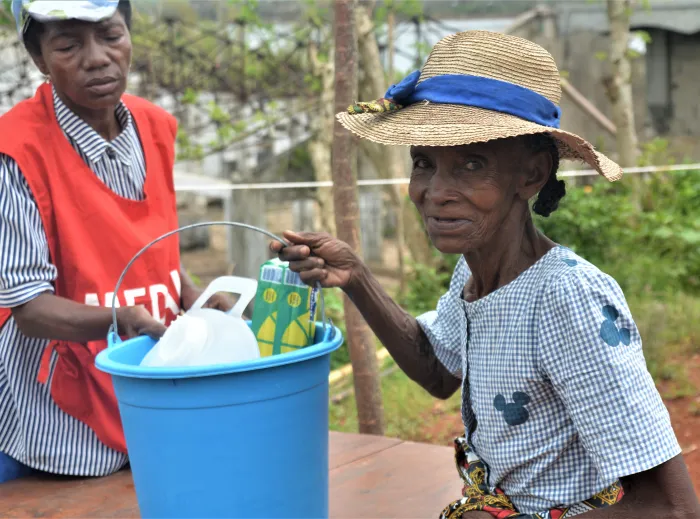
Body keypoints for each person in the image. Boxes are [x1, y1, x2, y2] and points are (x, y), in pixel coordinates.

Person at [273, 31, 700, 518]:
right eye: (423, 164)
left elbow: (671, 507)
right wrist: (356, 277)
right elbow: (438, 372)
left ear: (532, 176)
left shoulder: (567, 298)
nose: (435, 191)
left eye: (471, 165)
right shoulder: (474, 275)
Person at [0, 0, 231, 482]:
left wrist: (193, 294)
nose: (98, 58)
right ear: (39, 60)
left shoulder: (154, 126)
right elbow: (30, 310)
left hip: (143, 382)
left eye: (110, 35)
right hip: (59, 413)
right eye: (68, 45)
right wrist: (122, 319)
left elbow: (150, 244)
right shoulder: (16, 151)